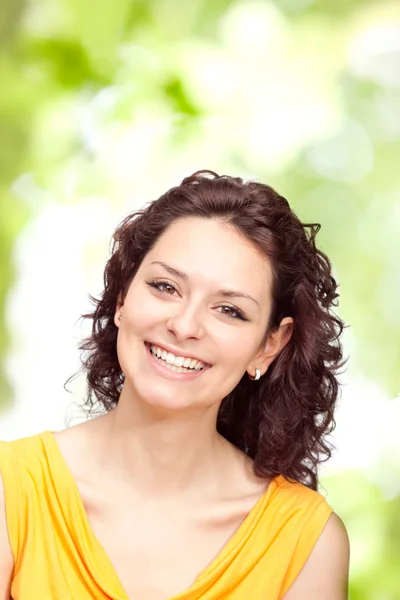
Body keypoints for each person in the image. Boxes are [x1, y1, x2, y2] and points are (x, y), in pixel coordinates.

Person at [0, 170, 350, 599]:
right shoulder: (10, 488)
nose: (184, 326)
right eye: (165, 287)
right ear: (123, 298)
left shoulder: (307, 541)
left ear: (270, 345)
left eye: (229, 310)